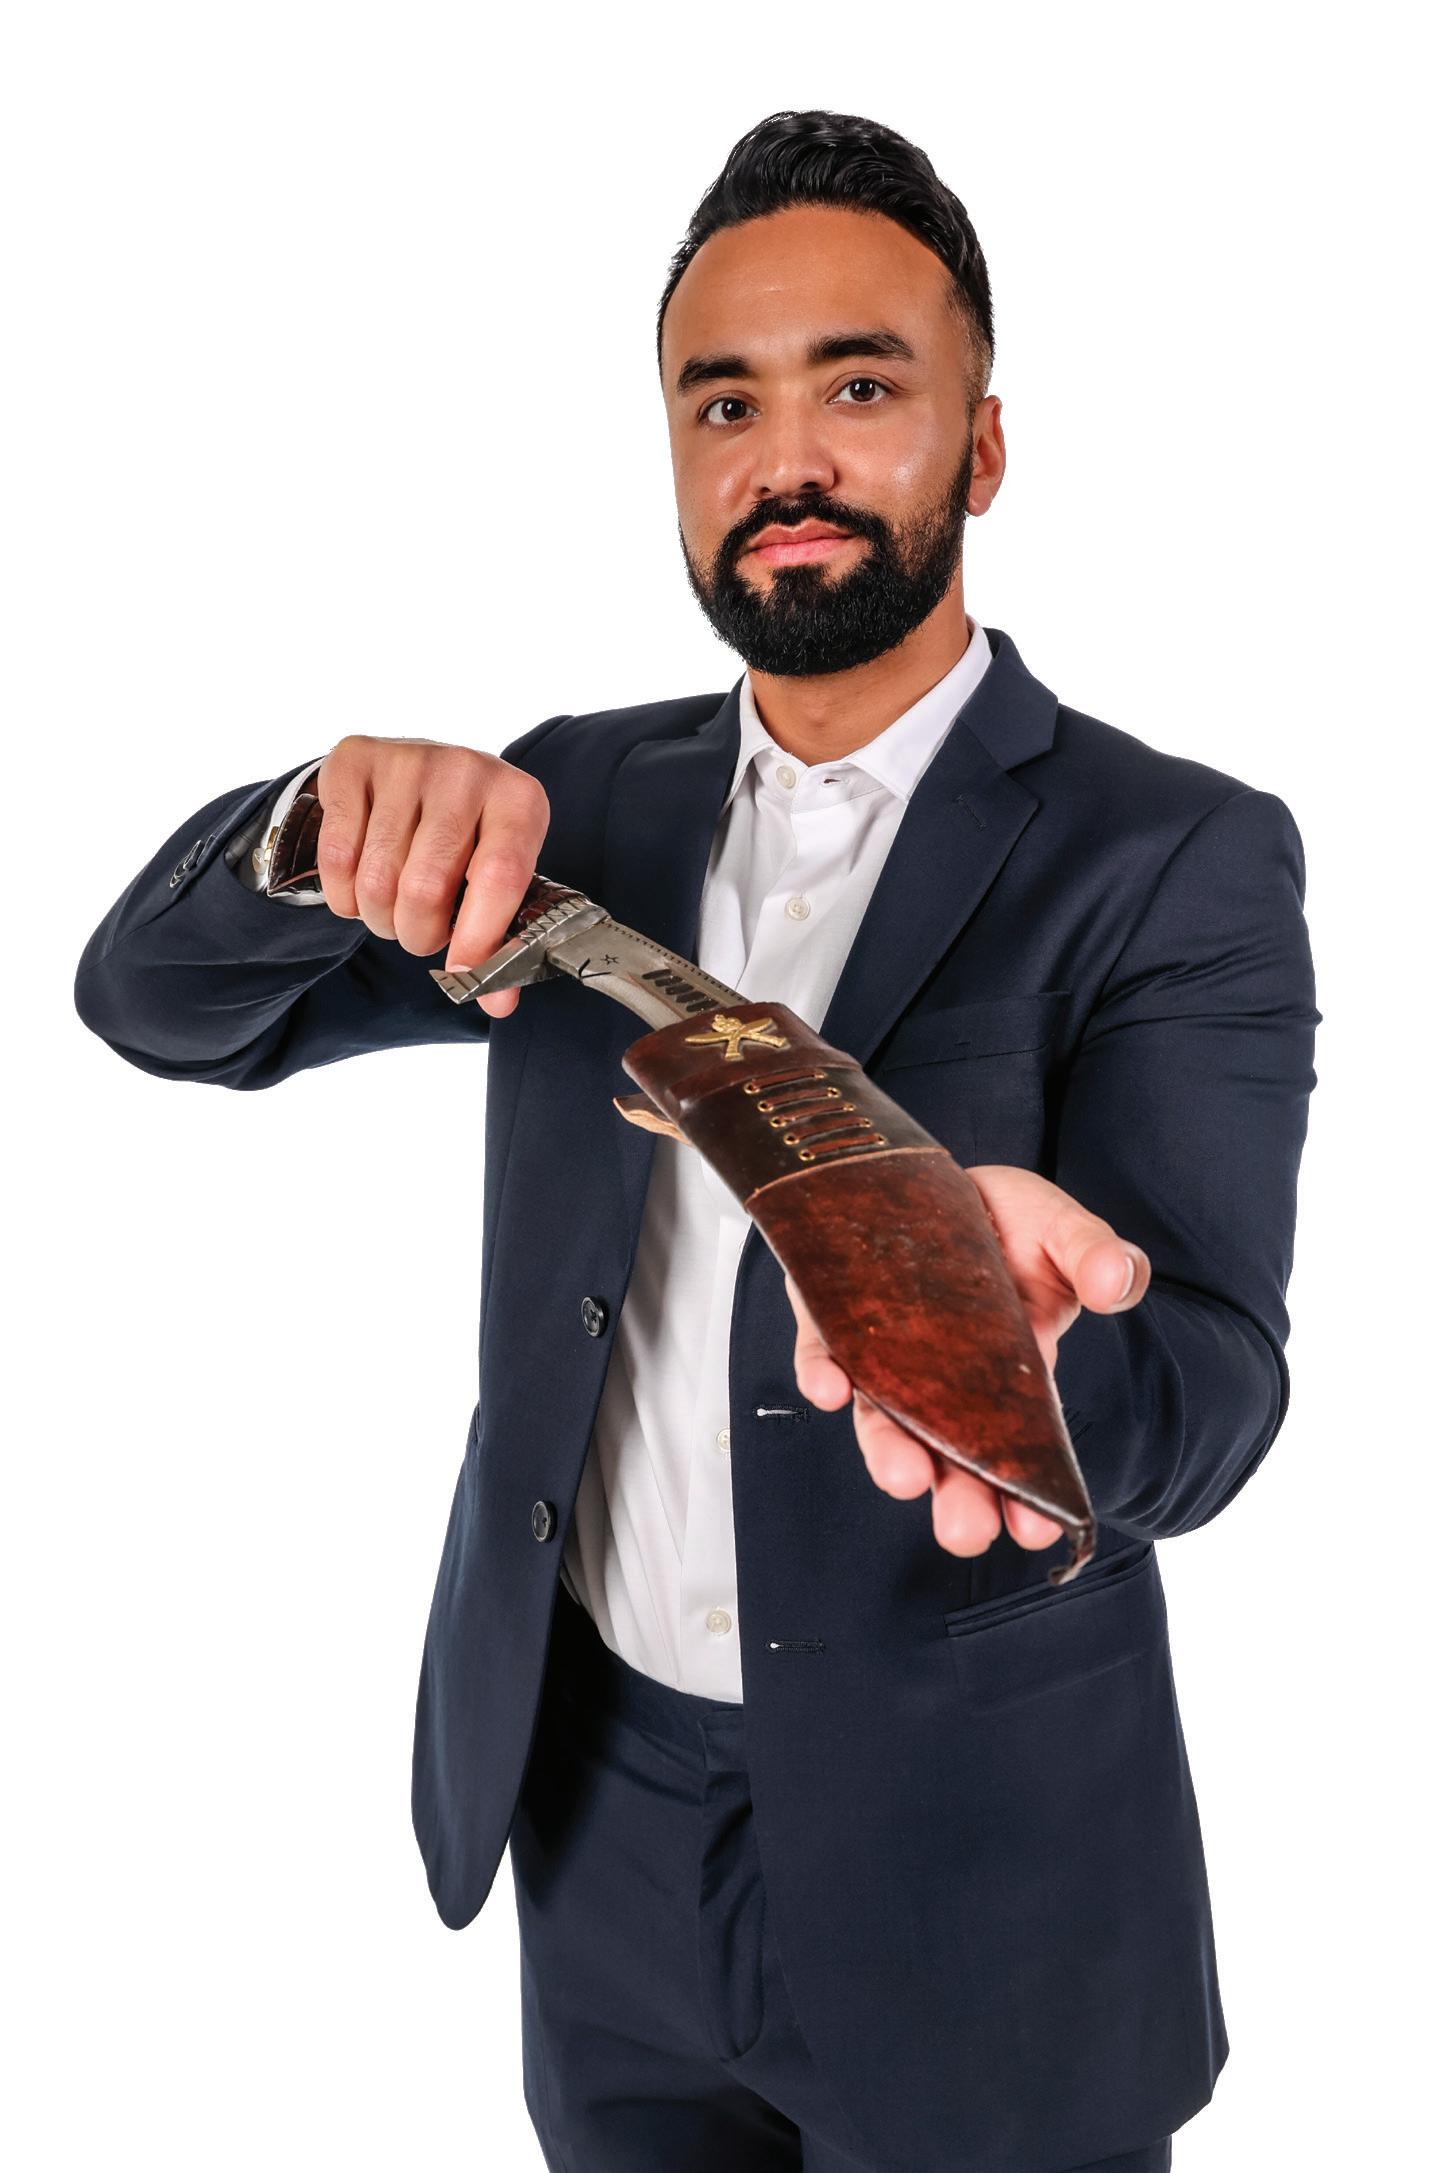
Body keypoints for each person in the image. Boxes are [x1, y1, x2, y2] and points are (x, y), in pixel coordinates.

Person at [73, 108, 1320, 2173]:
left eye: (862, 387)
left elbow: (1211, 1397)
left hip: (979, 1875)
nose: (785, 458)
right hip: (597, 1835)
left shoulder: (1173, 853)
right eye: (723, 403)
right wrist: (307, 825)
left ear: (982, 450)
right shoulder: (568, 808)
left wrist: (1009, 1346)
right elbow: (159, 1005)